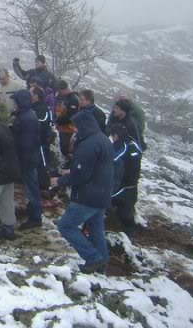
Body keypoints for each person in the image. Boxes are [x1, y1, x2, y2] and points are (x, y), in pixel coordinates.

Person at [54, 110, 114, 274]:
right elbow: (95, 167)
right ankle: (102, 269)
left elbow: (81, 174)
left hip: (88, 196)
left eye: (77, 126)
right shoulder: (103, 140)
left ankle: (93, 258)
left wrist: (60, 181)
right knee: (96, 231)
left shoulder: (88, 144)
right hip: (102, 193)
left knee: (66, 226)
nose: (74, 130)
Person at [11, 89, 43, 230]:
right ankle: (32, 212)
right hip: (29, 158)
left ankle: (35, 218)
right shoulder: (26, 115)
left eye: (16, 102)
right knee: (31, 188)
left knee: (32, 190)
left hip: (27, 159)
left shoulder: (27, 118)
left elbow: (26, 142)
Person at [109, 123, 143, 237]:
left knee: (111, 205)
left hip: (122, 185)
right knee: (126, 212)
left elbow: (113, 160)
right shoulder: (134, 144)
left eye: (112, 136)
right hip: (132, 184)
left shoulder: (121, 146)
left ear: (116, 135)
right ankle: (130, 235)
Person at [31, 86, 54, 190]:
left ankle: (46, 186)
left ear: (36, 95)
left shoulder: (43, 108)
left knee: (42, 164)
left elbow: (43, 122)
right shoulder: (34, 106)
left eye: (31, 94)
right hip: (34, 142)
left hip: (41, 142)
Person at [55, 80, 79, 159]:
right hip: (62, 128)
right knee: (63, 147)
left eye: (59, 90)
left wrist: (58, 121)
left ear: (63, 89)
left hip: (69, 129)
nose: (59, 92)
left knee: (67, 149)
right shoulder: (62, 97)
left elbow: (71, 116)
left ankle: (68, 163)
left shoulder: (73, 99)